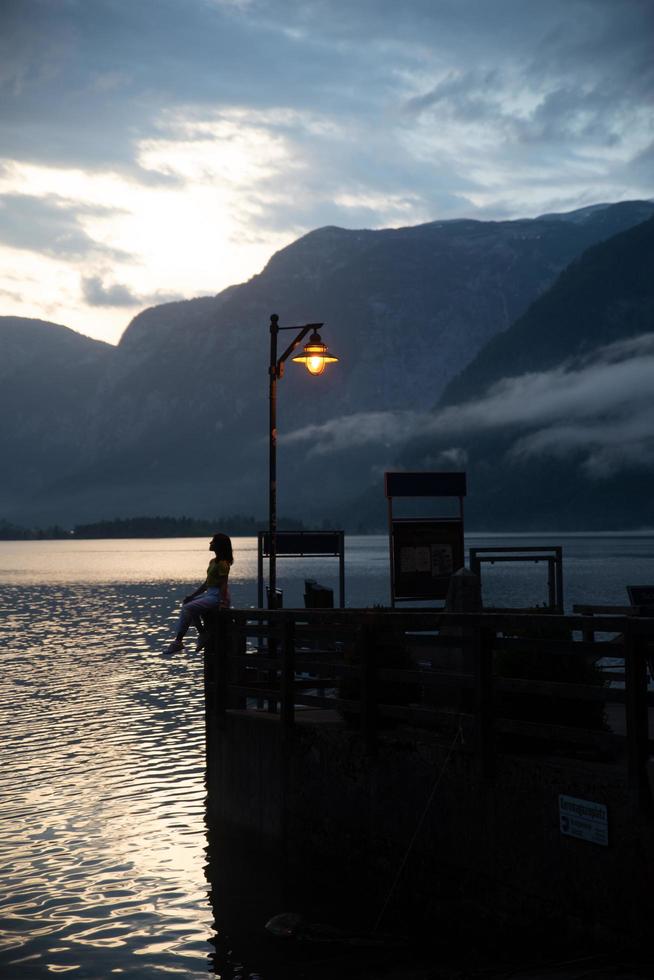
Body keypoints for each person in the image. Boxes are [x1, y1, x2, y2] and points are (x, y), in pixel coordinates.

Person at [165, 533, 233, 653]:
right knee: (188, 602)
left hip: (217, 596)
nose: (210, 543)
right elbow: (207, 584)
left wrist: (223, 602)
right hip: (211, 593)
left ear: (219, 545)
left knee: (187, 609)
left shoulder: (223, 563)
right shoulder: (213, 562)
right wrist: (192, 596)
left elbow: (223, 584)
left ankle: (178, 641)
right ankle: (202, 634)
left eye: (213, 541)